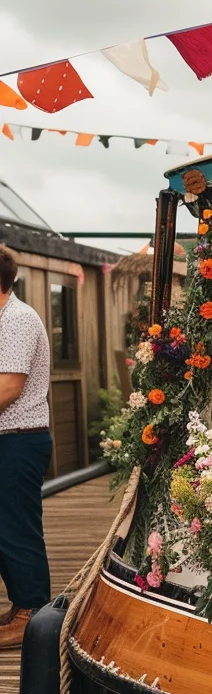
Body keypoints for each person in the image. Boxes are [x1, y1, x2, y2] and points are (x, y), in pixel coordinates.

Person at [0, 245, 53, 649]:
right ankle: (21, 604)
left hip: (19, 439)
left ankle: (33, 611)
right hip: (10, 439)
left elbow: (9, 387)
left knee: (17, 528)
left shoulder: (16, 320)